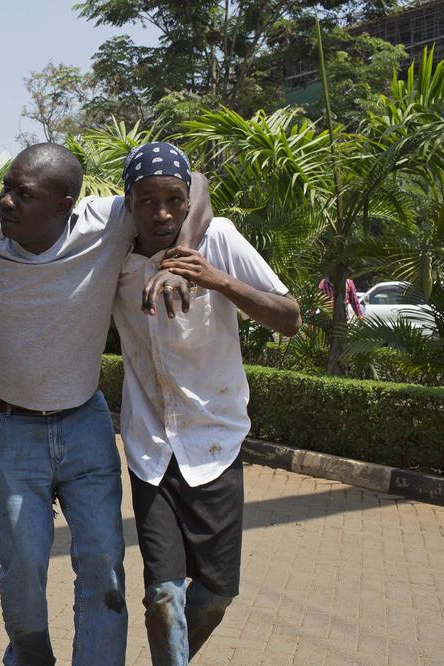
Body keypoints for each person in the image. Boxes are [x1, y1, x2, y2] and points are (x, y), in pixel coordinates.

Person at [0, 143, 213, 665]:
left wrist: (179, 261)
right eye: (6, 187)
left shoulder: (107, 221)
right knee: (22, 564)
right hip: (12, 431)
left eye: (21, 194)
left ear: (64, 206)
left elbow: (200, 183)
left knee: (103, 561)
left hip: (85, 424)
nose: (3, 201)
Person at [113, 142, 301, 665]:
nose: (162, 213)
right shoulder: (117, 255)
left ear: (186, 198)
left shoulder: (218, 239)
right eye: (147, 200)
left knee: (216, 595)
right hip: (150, 450)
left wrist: (211, 276)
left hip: (214, 444)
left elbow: (289, 317)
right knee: (164, 594)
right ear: (128, 203)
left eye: (173, 199)